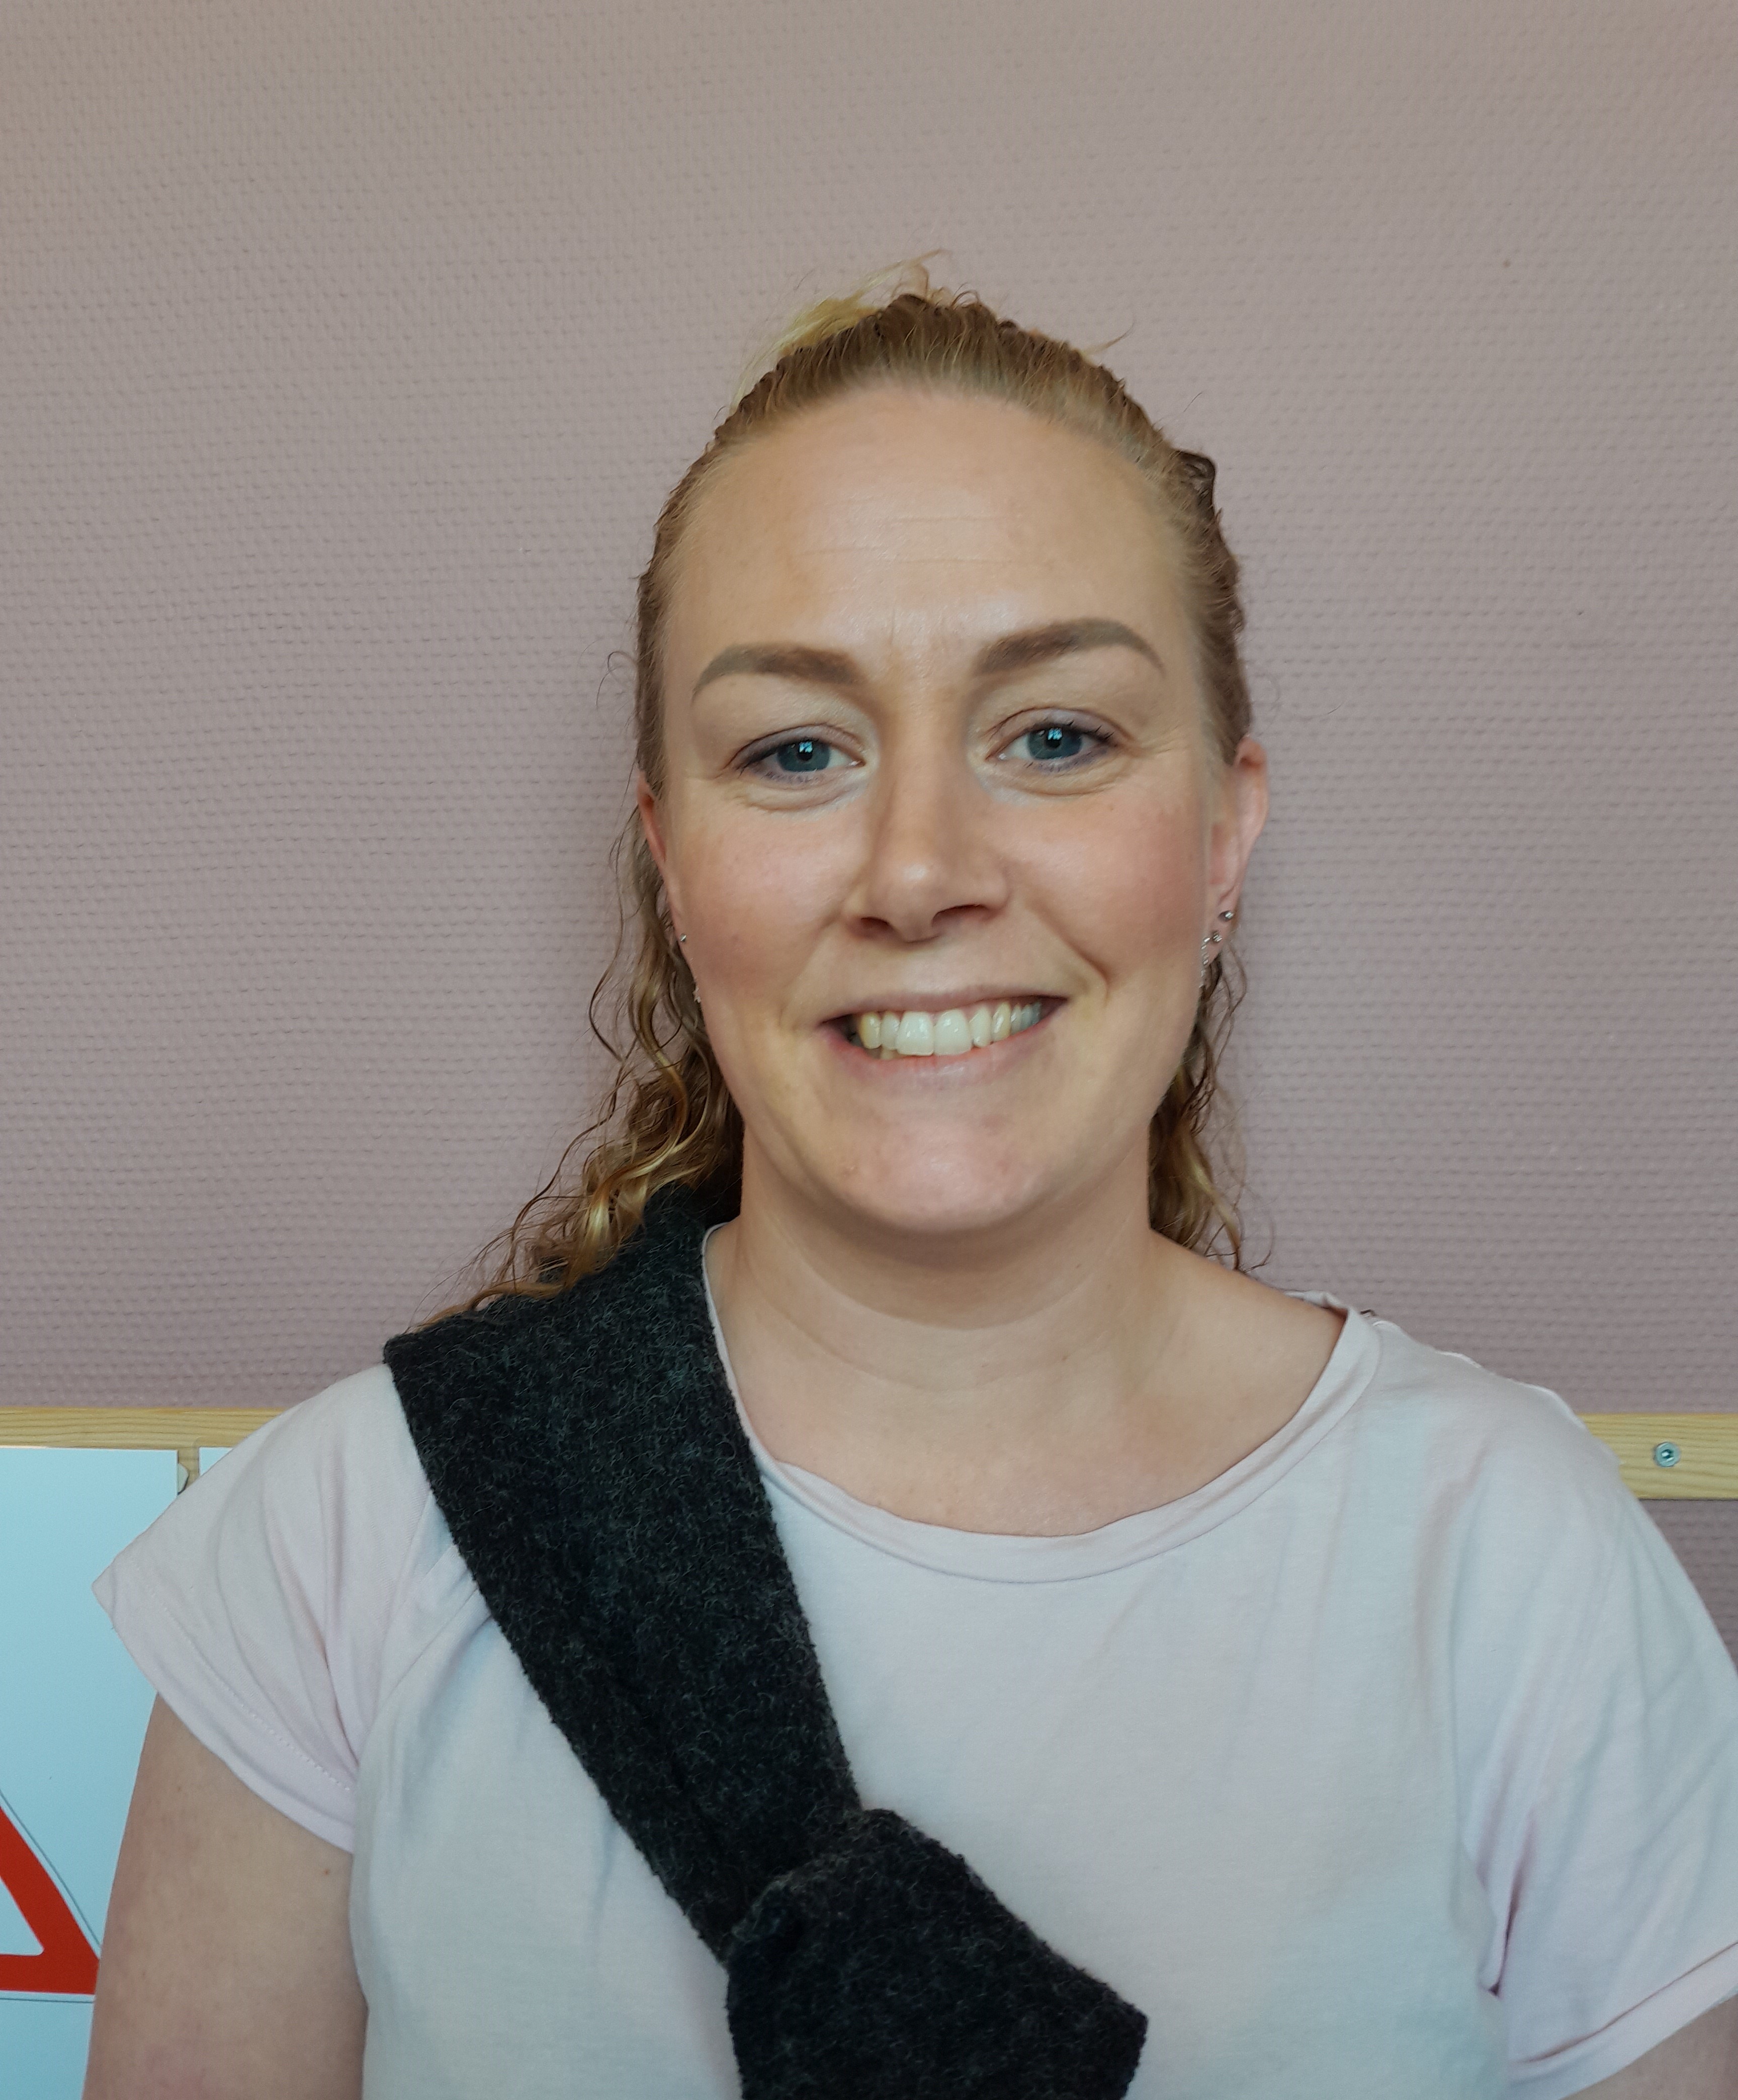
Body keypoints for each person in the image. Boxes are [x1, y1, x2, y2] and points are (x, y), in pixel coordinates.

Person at [85, 274, 1738, 2099]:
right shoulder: (341, 1542)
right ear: (670, 856)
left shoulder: (1509, 1562)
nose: (920, 868)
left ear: (1225, 827)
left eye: (1056, 736)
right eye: (797, 751)